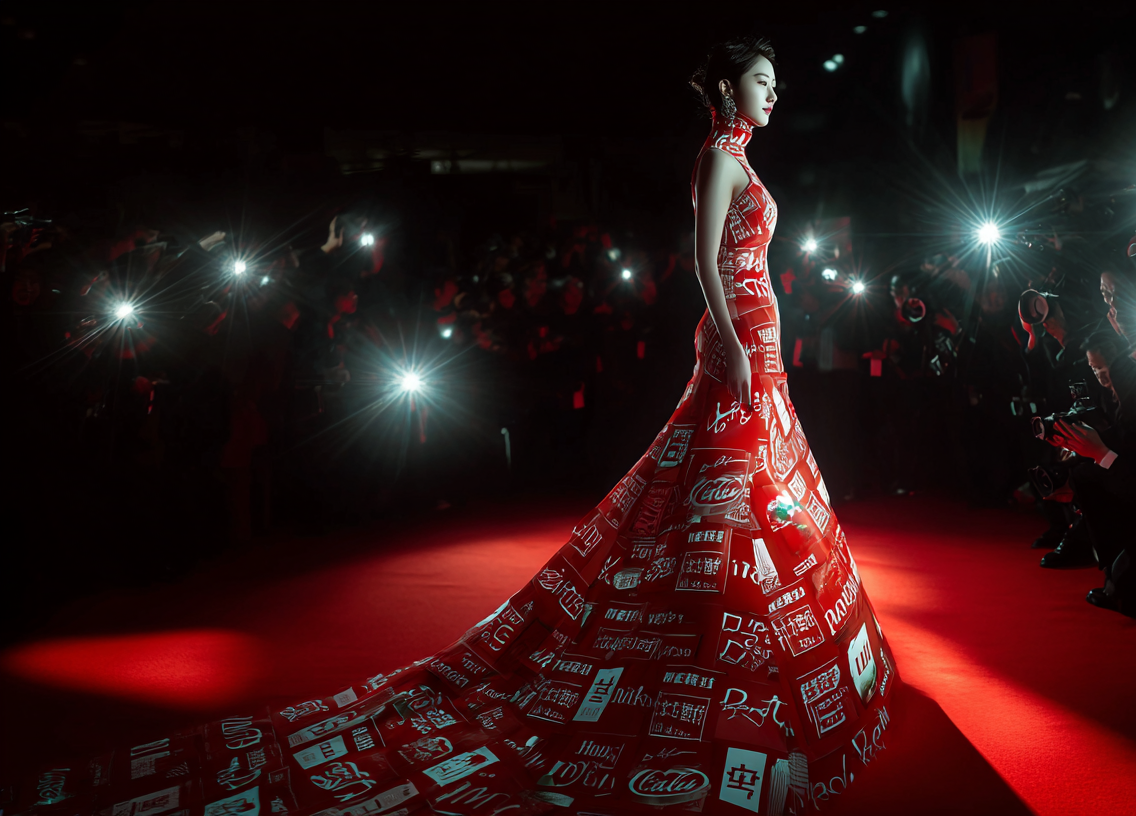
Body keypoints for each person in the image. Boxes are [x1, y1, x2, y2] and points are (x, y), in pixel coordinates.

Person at [10, 37, 895, 816]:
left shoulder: (744, 161)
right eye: (762, 80)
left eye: (776, 81)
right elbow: (702, 261)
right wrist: (731, 339)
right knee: (721, 483)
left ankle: (752, 642)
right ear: (728, 88)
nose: (774, 93)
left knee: (748, 481)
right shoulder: (716, 159)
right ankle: (704, 641)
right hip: (739, 335)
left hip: (760, 334)